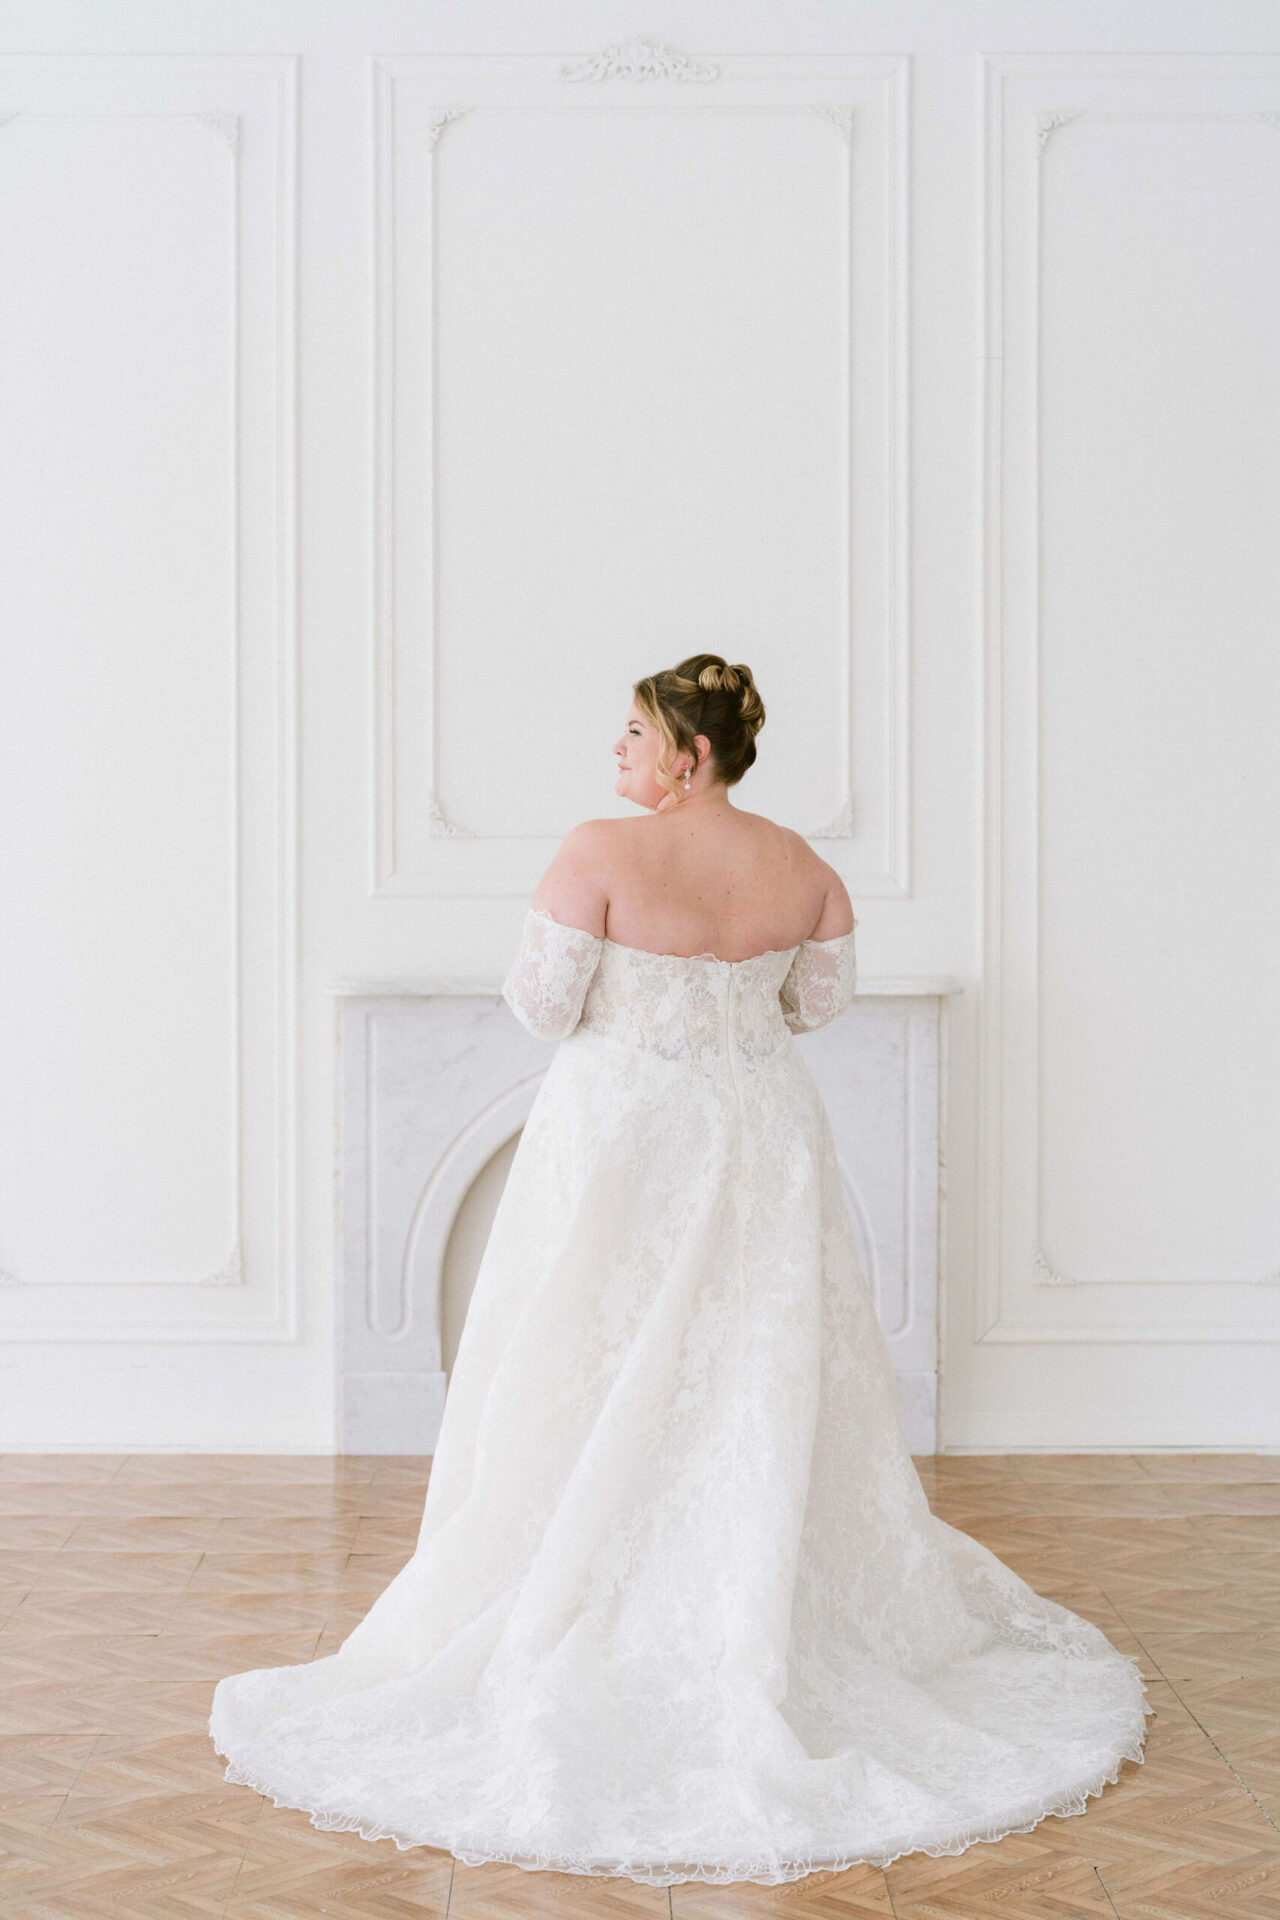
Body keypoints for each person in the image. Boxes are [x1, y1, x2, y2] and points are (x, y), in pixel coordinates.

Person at [209, 654, 1151, 1886]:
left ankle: (573, 1580)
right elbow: (819, 1006)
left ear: (686, 754)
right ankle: (748, 1597)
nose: (615, 754)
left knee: (579, 1354)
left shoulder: (597, 853)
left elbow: (543, 1009)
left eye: (633, 733)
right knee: (750, 1362)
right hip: (759, 1133)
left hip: (619, 1140)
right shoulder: (805, 871)